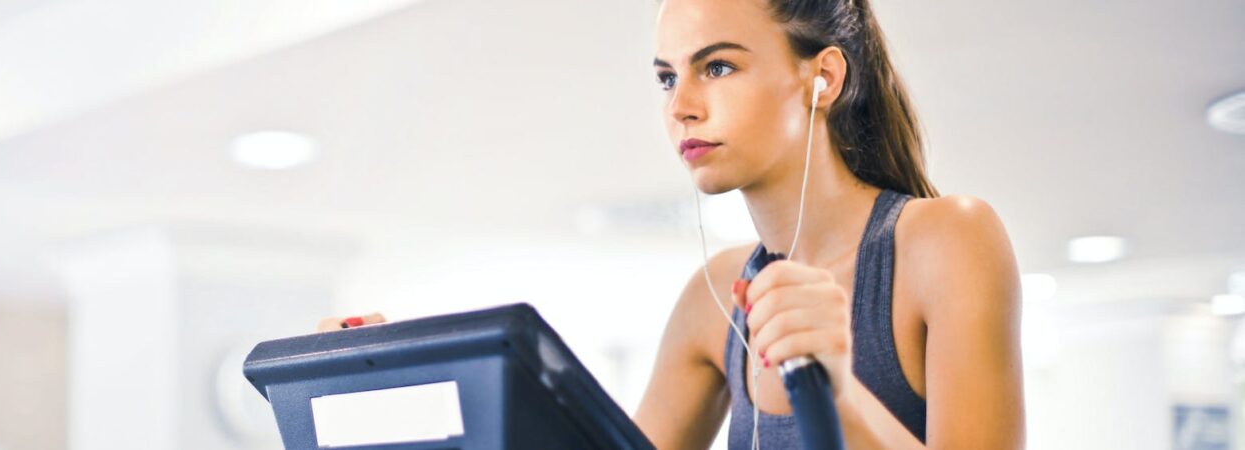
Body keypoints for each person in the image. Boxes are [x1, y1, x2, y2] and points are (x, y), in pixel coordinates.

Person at [320, 0, 1025, 448]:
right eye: (666, 77)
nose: (680, 105)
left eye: (717, 67)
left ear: (824, 78)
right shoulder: (716, 294)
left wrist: (835, 388)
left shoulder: (945, 240)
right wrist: (386, 394)